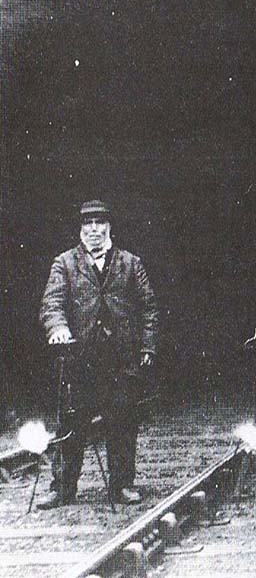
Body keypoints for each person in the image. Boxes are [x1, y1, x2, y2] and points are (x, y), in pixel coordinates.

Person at [38, 200, 159, 509]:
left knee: (123, 423)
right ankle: (62, 488)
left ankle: (122, 485)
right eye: (88, 223)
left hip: (121, 360)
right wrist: (58, 328)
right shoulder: (64, 263)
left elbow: (149, 309)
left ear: (109, 227)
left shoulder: (131, 263)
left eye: (99, 223)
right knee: (71, 425)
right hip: (80, 360)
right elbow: (51, 304)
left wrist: (147, 346)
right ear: (81, 229)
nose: (94, 229)